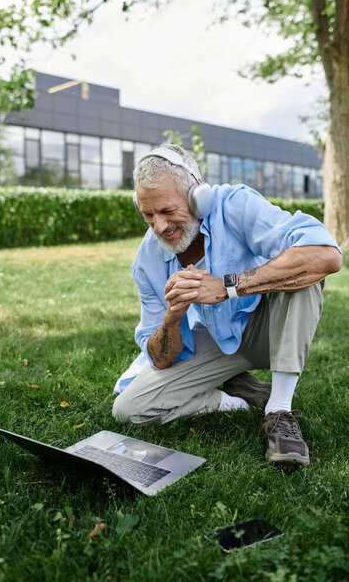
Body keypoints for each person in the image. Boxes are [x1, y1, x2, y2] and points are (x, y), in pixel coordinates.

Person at [112, 144, 342, 465]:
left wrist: (227, 286)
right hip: (220, 341)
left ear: (197, 197)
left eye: (167, 211)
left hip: (269, 327)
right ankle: (238, 398)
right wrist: (172, 318)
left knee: (303, 273)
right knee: (130, 409)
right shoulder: (147, 260)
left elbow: (324, 254)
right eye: (148, 215)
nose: (159, 227)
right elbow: (160, 358)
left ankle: (279, 411)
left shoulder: (235, 205)